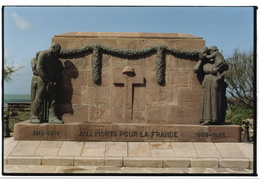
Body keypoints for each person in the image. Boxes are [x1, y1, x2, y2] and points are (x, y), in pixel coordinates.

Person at [30, 43, 64, 124]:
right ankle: (34, 116)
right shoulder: (43, 54)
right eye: (58, 50)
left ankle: (52, 117)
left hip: (52, 81)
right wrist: (48, 81)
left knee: (53, 99)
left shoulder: (54, 58)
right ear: (54, 48)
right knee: (39, 98)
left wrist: (54, 81)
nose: (59, 52)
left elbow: (57, 69)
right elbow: (39, 68)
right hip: (43, 80)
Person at [195, 46, 228, 125]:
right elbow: (196, 69)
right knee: (208, 100)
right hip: (208, 82)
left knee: (217, 100)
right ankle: (207, 119)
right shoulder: (205, 64)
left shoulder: (218, 63)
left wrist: (219, 73)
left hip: (216, 82)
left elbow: (225, 67)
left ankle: (217, 119)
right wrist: (201, 60)